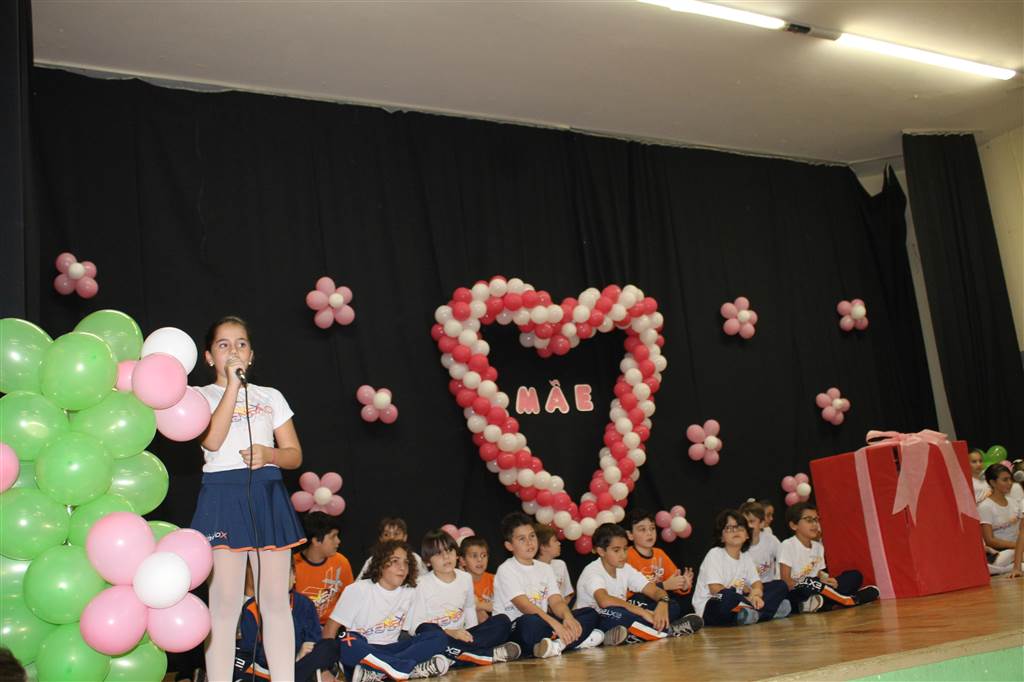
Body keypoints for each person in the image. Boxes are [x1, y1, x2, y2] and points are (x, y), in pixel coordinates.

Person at [191, 316, 306, 681]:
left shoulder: (270, 396)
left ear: (251, 354)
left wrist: (269, 455)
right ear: (209, 356)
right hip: (223, 495)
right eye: (223, 345)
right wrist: (230, 388)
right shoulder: (198, 396)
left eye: (240, 343)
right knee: (223, 605)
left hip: (268, 492)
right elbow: (211, 440)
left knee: (275, 602)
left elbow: (294, 454)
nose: (233, 350)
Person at [324, 541, 450, 681]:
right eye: (395, 561)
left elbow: (414, 628)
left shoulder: (410, 591)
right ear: (380, 564)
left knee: (437, 636)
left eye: (406, 562)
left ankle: (381, 673)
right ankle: (408, 669)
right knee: (346, 642)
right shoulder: (358, 589)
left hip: (393, 649)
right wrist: (325, 668)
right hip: (364, 649)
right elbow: (330, 629)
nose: (402, 567)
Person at [492, 512, 601, 658]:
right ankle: (572, 641)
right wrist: (556, 625)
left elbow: (556, 601)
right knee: (530, 623)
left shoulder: (545, 568)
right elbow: (525, 607)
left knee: (589, 613)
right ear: (509, 545)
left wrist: (567, 617)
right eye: (522, 539)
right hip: (518, 627)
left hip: (544, 622)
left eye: (532, 536)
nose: (530, 543)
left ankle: (557, 645)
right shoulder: (506, 569)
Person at [406, 530, 520, 667]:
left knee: (502, 621)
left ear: (456, 554)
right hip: (441, 637)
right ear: (427, 561)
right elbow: (414, 628)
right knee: (427, 630)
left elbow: (469, 609)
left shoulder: (465, 578)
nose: (446, 557)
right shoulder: (421, 584)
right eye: (438, 554)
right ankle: (485, 655)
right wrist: (451, 633)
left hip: (462, 637)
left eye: (449, 551)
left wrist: (471, 637)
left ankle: (456, 656)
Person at [576, 523, 703, 643]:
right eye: (616, 550)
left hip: (624, 615)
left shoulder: (624, 568)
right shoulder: (592, 571)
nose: (623, 555)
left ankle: (632, 635)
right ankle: (669, 630)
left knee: (672, 605)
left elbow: (653, 590)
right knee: (619, 614)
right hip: (599, 619)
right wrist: (642, 612)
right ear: (601, 551)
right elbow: (604, 601)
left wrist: (663, 603)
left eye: (625, 549)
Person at [235, 562, 338, 681]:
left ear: (294, 577)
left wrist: (307, 652)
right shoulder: (252, 607)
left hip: (300, 668)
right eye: (276, 575)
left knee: (330, 646)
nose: (281, 580)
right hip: (265, 672)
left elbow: (314, 642)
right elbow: (251, 653)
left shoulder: (305, 604)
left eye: (286, 574)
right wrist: (296, 656)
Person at [691, 510, 792, 626]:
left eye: (740, 527)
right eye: (729, 528)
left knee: (780, 585)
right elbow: (715, 589)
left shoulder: (746, 556)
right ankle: (764, 612)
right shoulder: (715, 554)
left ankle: (748, 614)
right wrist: (748, 599)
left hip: (739, 604)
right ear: (721, 537)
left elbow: (757, 583)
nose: (735, 531)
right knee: (727, 596)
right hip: (713, 606)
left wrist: (756, 594)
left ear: (747, 535)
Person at [779, 502, 879, 612]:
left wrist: (829, 581)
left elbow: (818, 574)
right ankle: (848, 600)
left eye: (816, 520)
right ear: (794, 525)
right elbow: (786, 582)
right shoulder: (787, 545)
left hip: (817, 588)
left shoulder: (818, 547)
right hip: (797, 590)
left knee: (854, 575)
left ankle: (820, 602)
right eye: (808, 520)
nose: (814, 524)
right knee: (808, 583)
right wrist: (814, 583)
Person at [625, 509, 695, 614]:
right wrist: (664, 585)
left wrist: (683, 585)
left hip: (656, 602)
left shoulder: (659, 553)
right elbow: (629, 592)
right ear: (630, 535)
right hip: (635, 602)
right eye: (642, 529)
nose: (649, 533)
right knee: (642, 599)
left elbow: (674, 581)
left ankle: (656, 623)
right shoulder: (626, 555)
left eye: (652, 528)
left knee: (675, 605)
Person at [294, 512, 355, 625]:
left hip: (332, 627)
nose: (338, 541)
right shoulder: (292, 567)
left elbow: (350, 601)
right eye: (333, 537)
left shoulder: (341, 562)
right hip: (301, 627)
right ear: (316, 540)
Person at [978, 464, 1024, 575]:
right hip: (1000, 552)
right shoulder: (985, 506)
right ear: (993, 482)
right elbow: (990, 540)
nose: (1010, 483)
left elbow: (1020, 531)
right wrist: (1015, 546)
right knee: (1002, 559)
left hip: (1017, 549)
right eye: (1005, 480)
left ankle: (1013, 566)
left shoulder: (1014, 502)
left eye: (1010, 479)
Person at [356, 518, 428, 580]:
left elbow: (425, 584)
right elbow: (359, 584)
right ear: (381, 538)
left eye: (396, 534)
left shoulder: (415, 558)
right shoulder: (373, 560)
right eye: (386, 534)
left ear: (405, 537)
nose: (392, 538)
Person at [740, 501, 780, 583]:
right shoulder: (737, 545)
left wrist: (778, 579)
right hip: (748, 589)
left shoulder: (771, 540)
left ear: (761, 523)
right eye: (744, 522)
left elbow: (783, 560)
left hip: (769, 585)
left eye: (751, 521)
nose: (748, 526)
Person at [457, 536, 494, 623]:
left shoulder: (495, 579)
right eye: (474, 556)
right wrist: (482, 606)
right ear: (462, 560)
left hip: (495, 621)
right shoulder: (459, 582)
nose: (480, 560)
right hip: (467, 626)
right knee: (479, 613)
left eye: (483, 555)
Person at [534, 524, 574, 603]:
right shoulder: (532, 568)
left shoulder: (560, 564)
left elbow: (568, 593)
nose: (559, 543)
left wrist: (562, 609)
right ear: (543, 546)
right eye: (555, 541)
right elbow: (535, 599)